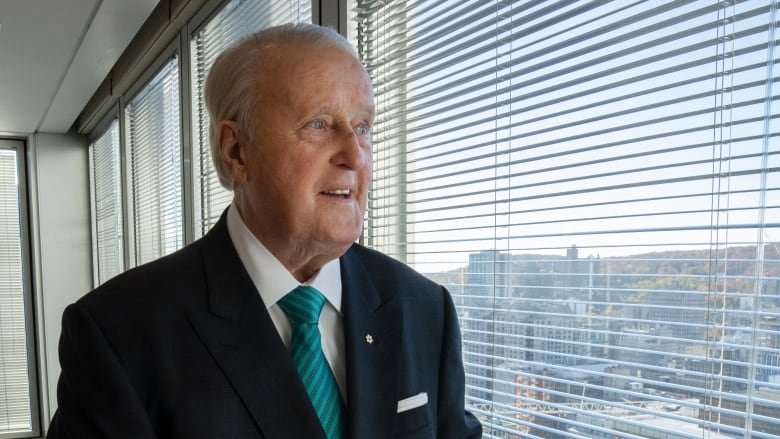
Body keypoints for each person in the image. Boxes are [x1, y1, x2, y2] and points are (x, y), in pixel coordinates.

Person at [47, 23, 482, 438]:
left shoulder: (424, 308)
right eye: (319, 124)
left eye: (363, 127)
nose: (356, 155)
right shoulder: (118, 333)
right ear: (236, 150)